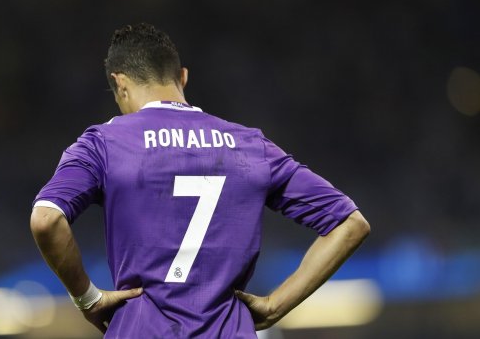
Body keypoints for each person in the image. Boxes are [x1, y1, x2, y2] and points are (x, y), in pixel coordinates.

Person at [30, 23, 370, 338]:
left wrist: (87, 298)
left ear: (119, 84)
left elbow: (46, 220)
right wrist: (275, 305)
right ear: (183, 76)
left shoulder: (105, 143)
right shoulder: (251, 145)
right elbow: (350, 224)